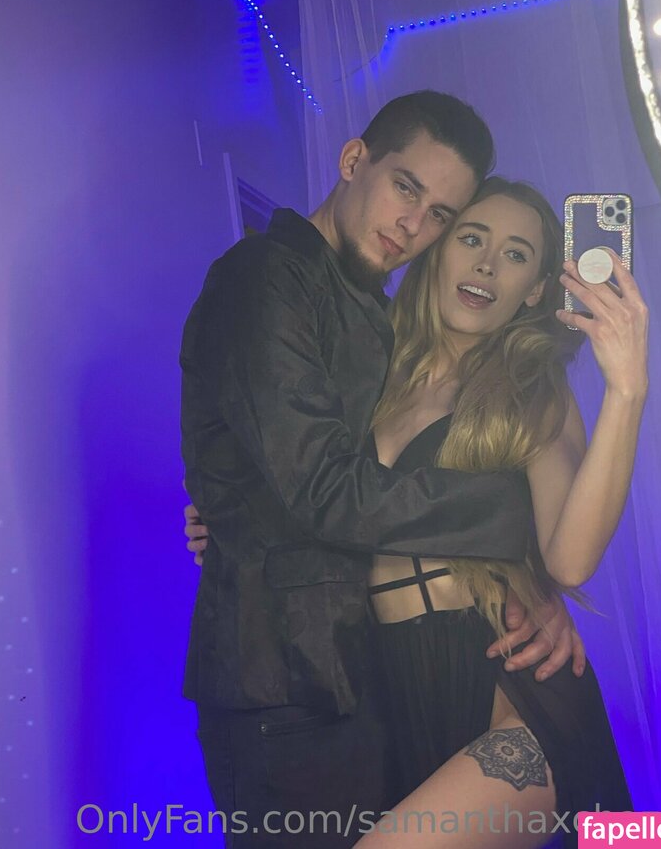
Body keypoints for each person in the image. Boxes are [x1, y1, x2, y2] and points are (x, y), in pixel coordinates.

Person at [180, 92, 584, 848]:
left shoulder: (374, 319)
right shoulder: (265, 277)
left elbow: (300, 470)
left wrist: (531, 581)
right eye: (406, 187)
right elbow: (323, 489)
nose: (412, 224)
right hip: (281, 682)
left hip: (361, 684)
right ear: (353, 160)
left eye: (438, 215)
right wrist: (511, 521)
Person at [351, 177, 646, 847]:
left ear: (536, 290)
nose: (487, 264)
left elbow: (570, 560)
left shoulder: (531, 390)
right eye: (472, 238)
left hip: (511, 696)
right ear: (438, 249)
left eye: (516, 254)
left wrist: (627, 388)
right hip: (391, 694)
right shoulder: (366, 379)